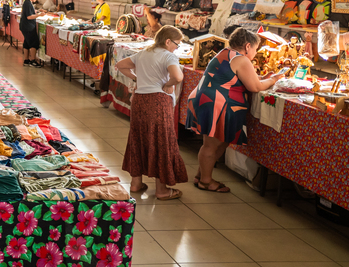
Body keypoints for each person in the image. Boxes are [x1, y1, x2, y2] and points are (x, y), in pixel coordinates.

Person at [186, 28, 283, 194]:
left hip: (210, 100)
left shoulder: (225, 53)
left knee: (221, 141)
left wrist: (264, 78)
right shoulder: (241, 60)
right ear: (247, 46)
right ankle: (206, 181)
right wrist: (274, 79)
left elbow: (240, 77)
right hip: (216, 103)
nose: (255, 53)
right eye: (255, 49)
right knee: (210, 145)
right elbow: (255, 87)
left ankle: (201, 175)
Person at [116, 26, 187, 200]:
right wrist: (169, 83)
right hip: (158, 101)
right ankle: (162, 190)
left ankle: (136, 183)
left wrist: (137, 78)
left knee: (138, 138)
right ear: (168, 41)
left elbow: (120, 65)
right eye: (177, 44)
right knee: (161, 140)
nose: (176, 48)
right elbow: (178, 77)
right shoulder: (168, 56)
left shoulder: (143, 53)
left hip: (140, 101)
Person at [20, 0, 44, 67]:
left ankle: (26, 60)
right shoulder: (27, 3)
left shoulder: (28, 2)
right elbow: (29, 17)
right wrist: (39, 15)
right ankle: (33, 60)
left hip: (26, 26)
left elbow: (29, 13)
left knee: (27, 43)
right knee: (34, 43)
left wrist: (36, 11)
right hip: (28, 27)